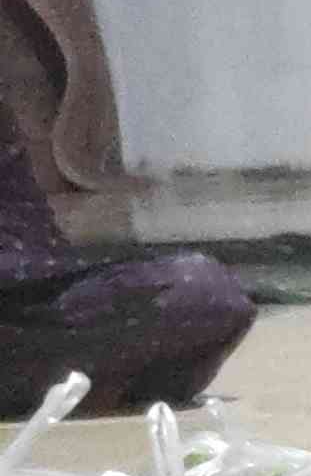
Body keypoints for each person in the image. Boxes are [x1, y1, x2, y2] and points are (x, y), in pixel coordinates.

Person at [0, 111, 252, 416]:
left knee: (206, 291)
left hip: (31, 323)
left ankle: (98, 388)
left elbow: (35, 254)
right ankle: (98, 388)